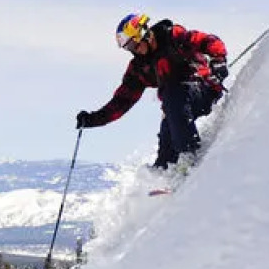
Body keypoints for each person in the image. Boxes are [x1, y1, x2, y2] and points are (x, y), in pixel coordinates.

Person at [76, 12, 229, 170]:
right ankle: (166, 176)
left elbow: (208, 41)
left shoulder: (173, 37)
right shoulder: (139, 67)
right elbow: (122, 101)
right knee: (166, 143)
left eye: (133, 45)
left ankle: (188, 155)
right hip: (176, 106)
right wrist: (93, 119)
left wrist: (219, 61)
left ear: (144, 34)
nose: (133, 50)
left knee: (171, 94)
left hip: (203, 89)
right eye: (128, 48)